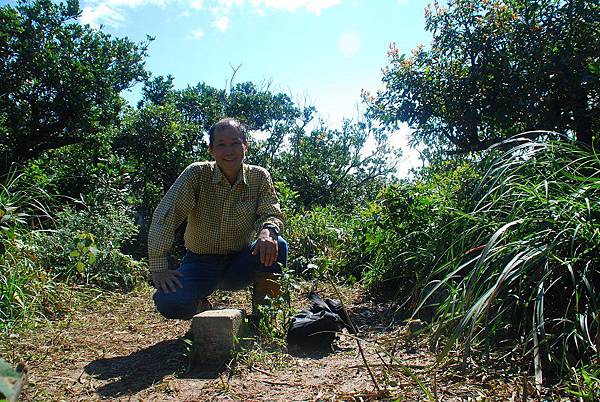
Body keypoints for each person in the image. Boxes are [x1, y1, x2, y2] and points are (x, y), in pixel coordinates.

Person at [148, 117, 287, 320]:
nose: (228, 151)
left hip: (240, 262)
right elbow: (166, 215)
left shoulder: (259, 177)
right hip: (199, 264)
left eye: (235, 143)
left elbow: (271, 211)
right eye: (221, 145)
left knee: (278, 244)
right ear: (211, 149)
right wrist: (159, 268)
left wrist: (268, 230)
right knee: (168, 301)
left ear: (245, 146)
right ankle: (200, 306)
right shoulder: (197, 174)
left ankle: (265, 317)